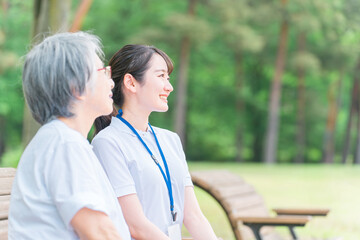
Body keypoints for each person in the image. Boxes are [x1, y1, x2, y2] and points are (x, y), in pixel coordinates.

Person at [9, 32, 131, 240]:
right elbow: (100, 233)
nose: (111, 82)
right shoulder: (64, 145)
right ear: (76, 87)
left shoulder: (63, 141)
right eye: (103, 72)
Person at [92, 44, 219, 240]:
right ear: (131, 83)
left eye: (168, 78)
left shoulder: (170, 140)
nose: (169, 87)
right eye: (161, 76)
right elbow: (136, 226)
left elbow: (194, 216)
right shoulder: (108, 143)